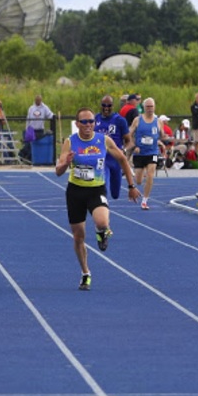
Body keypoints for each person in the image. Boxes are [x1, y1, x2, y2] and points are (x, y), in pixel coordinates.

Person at [55, 107, 140, 291]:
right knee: (79, 237)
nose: (88, 125)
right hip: (75, 192)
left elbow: (123, 160)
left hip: (96, 189)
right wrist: (66, 163)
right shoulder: (70, 142)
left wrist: (132, 186)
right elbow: (58, 171)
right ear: (77, 124)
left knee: (102, 222)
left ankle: (102, 232)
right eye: (84, 122)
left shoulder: (103, 140)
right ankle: (86, 273)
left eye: (91, 121)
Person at [127, 97, 164, 210]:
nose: (150, 109)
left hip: (152, 152)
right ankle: (139, 176)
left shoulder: (158, 121)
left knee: (150, 175)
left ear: (154, 107)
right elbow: (129, 135)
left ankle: (145, 200)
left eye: (151, 106)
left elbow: (161, 134)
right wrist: (134, 145)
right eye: (147, 106)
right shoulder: (138, 120)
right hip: (140, 153)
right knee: (138, 181)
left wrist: (159, 140)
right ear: (144, 107)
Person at [93, 95, 131, 199]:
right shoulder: (95, 119)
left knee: (115, 194)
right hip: (101, 158)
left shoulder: (120, 120)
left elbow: (128, 140)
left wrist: (124, 150)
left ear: (112, 106)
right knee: (103, 184)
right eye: (103, 105)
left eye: (108, 105)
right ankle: (101, 207)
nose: (106, 108)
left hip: (115, 159)